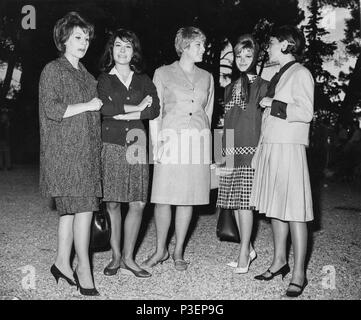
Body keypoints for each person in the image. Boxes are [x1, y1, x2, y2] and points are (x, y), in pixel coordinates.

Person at [39, 12, 102, 296]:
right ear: (63, 39)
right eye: (78, 37)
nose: (84, 42)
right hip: (65, 154)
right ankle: (83, 268)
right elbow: (52, 109)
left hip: (86, 153)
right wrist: (88, 106)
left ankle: (62, 262)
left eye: (87, 38)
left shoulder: (86, 75)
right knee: (84, 209)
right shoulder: (53, 70)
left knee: (70, 211)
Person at [142, 27, 214, 271]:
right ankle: (160, 249)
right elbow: (155, 112)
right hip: (169, 140)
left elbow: (209, 113)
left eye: (203, 45)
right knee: (162, 198)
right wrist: (156, 144)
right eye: (198, 45)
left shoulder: (207, 77)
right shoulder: (162, 73)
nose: (204, 49)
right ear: (184, 47)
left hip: (197, 143)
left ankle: (178, 250)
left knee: (188, 198)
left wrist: (211, 149)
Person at [250, 25, 314, 297]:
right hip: (272, 146)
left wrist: (272, 103)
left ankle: (299, 272)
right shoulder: (278, 74)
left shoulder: (301, 73)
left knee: (295, 210)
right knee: (276, 207)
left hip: (289, 147)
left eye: (273, 42)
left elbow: (306, 111)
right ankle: (279, 262)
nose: (268, 47)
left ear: (288, 44)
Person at [97, 29, 160, 278]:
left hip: (136, 142)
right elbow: (105, 107)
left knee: (138, 202)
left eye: (128, 47)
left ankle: (129, 258)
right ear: (111, 51)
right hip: (111, 143)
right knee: (112, 201)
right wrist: (136, 107)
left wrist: (126, 114)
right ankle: (114, 256)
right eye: (118, 46)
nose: (123, 51)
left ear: (134, 51)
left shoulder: (143, 79)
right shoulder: (103, 79)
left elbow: (154, 108)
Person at [216, 35, 268, 274]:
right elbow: (223, 124)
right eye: (239, 55)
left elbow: (265, 124)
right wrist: (219, 156)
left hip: (251, 153)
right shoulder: (228, 89)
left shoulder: (263, 86)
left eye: (248, 55)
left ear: (255, 56)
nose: (243, 60)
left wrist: (263, 153)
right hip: (229, 153)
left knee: (244, 204)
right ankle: (249, 247)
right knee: (234, 203)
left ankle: (244, 253)